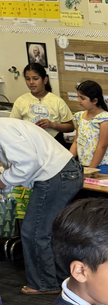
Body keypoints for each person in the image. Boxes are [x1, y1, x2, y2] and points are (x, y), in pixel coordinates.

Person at [0, 119, 83, 295]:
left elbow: (27, 163)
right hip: (61, 174)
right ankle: (61, 279)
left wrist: (4, 180)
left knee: (34, 232)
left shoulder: (2, 129)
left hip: (55, 176)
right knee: (51, 232)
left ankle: (43, 284)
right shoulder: (6, 125)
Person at [10, 63, 74, 148]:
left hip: (54, 144)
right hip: (30, 144)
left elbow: (70, 127)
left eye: (35, 79)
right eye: (27, 79)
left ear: (45, 80)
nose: (31, 82)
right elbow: (12, 125)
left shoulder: (57, 101)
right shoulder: (20, 101)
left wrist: (52, 125)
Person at [70, 80, 108, 175]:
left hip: (103, 165)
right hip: (85, 164)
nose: (79, 101)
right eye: (78, 97)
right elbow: (76, 141)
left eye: (82, 98)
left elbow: (102, 146)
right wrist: (67, 161)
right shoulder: (80, 116)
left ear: (94, 100)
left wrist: (91, 169)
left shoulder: (105, 119)